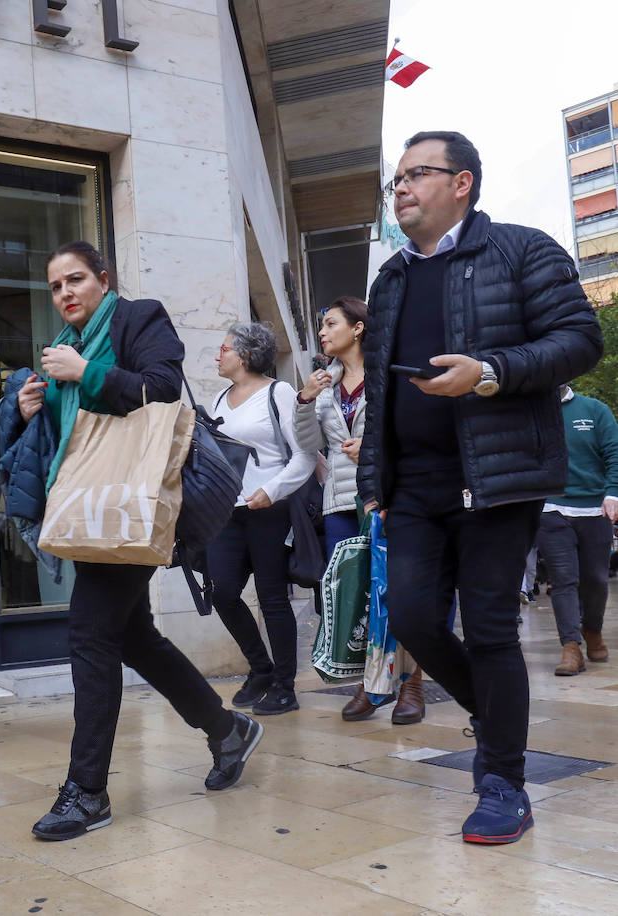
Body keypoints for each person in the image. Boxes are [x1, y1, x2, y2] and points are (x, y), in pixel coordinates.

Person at [359, 130, 601, 844]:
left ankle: (503, 780)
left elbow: (581, 339)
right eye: (395, 180)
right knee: (410, 617)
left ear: (461, 183)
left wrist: (489, 369)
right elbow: (380, 390)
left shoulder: (522, 249)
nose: (400, 189)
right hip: (412, 486)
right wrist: (375, 476)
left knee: (491, 627)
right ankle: (494, 715)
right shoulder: (391, 278)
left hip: (496, 478)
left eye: (415, 175)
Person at [13, 241, 261, 841]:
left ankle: (87, 790)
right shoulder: (64, 349)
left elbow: (163, 391)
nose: (65, 293)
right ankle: (227, 730)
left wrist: (86, 373)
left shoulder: (136, 317)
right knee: (133, 635)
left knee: (90, 632)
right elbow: (78, 432)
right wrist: (34, 410)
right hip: (95, 505)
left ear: (104, 279)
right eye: (55, 286)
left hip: (133, 503)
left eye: (76, 279)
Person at [295, 297, 425, 725]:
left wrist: (371, 452)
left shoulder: (387, 375)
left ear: (358, 329)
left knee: (397, 590)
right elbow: (308, 443)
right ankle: (369, 683)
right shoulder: (324, 382)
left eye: (330, 323)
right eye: (321, 325)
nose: (322, 332)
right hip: (338, 501)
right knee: (353, 593)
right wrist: (304, 399)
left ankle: (410, 683)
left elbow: (408, 430)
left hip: (385, 495)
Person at [208, 322, 317, 715]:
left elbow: (305, 453)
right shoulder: (219, 399)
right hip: (228, 512)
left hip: (270, 508)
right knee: (220, 592)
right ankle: (261, 668)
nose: (217, 355)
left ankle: (285, 686)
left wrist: (271, 491)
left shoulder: (279, 392)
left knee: (272, 598)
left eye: (224, 349)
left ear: (246, 355)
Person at [536, 385, 618, 675]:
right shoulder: (530, 412)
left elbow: (614, 453)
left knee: (595, 579)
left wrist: (613, 493)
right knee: (563, 579)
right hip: (551, 508)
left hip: (595, 508)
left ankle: (592, 629)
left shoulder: (595, 410)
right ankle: (571, 647)